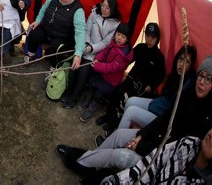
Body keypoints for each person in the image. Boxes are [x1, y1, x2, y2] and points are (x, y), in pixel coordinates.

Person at [57, 55, 212, 176]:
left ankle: (80, 162)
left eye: (209, 78)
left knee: (119, 155)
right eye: (201, 76)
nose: (202, 82)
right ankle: (91, 161)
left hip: (158, 163)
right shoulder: (186, 96)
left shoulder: (205, 121)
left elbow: (174, 152)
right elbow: (163, 118)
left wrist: (142, 145)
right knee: (119, 135)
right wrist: (141, 135)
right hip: (154, 138)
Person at [116, 45, 197, 130]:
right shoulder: (174, 75)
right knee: (130, 101)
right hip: (158, 104)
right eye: (181, 59)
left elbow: (172, 112)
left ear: (191, 65)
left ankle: (119, 136)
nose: (181, 64)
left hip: (161, 118)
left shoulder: (187, 85)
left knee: (130, 112)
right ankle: (122, 130)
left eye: (187, 62)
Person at [61, 0, 121, 108]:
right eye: (103, 5)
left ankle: (75, 97)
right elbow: (86, 30)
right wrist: (86, 44)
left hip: (98, 53)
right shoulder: (94, 14)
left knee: (84, 69)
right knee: (74, 65)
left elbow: (106, 43)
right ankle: (68, 91)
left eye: (107, 7)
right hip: (85, 46)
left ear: (112, 10)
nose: (103, 9)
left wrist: (91, 48)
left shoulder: (116, 24)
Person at [102, 128, 212, 184]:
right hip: (152, 142)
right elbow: (149, 165)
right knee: (109, 180)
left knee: (121, 155)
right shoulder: (188, 143)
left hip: (152, 143)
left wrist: (140, 145)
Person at [24, 0, 86, 70]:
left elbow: (80, 32)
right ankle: (31, 56)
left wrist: (78, 53)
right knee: (34, 33)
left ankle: (54, 68)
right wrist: (37, 21)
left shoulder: (78, 10)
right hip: (47, 31)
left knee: (55, 47)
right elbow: (43, 10)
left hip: (63, 37)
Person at [79, 23, 133, 123]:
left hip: (111, 80)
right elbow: (104, 52)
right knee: (91, 83)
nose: (119, 38)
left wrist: (97, 66)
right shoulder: (113, 43)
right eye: (118, 34)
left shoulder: (123, 55)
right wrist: (97, 58)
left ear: (127, 39)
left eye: (123, 36)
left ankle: (92, 108)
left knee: (99, 94)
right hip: (102, 73)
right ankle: (88, 98)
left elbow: (111, 68)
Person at [118, 22, 166, 99]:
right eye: (147, 36)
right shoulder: (140, 47)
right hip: (131, 79)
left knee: (127, 100)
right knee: (117, 94)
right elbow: (128, 60)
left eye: (153, 37)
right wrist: (121, 71)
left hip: (143, 88)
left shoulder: (159, 57)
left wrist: (151, 86)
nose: (149, 39)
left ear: (157, 39)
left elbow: (161, 76)